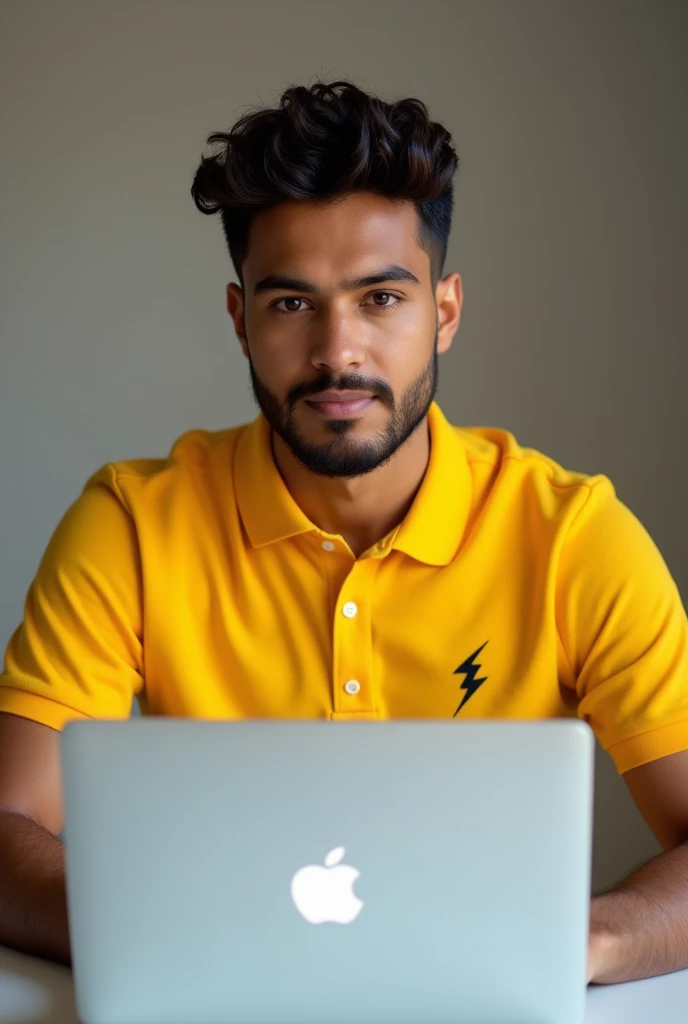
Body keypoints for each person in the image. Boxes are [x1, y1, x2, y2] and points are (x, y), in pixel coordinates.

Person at [1, 79, 687, 986]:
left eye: (381, 300)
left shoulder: (573, 537)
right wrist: (159, 938)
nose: (338, 352)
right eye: (292, 305)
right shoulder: (131, 525)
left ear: (443, 311)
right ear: (242, 320)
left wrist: (577, 940)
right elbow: (7, 826)